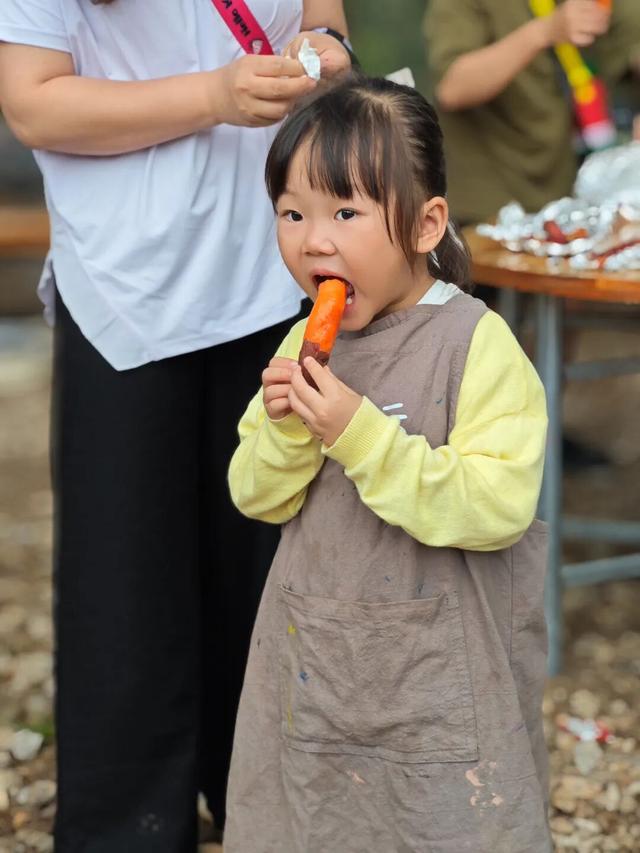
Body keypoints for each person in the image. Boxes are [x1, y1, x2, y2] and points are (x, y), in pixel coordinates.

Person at [0, 1, 352, 849]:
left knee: (270, 567)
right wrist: (213, 96)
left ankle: (270, 806)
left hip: (274, 262)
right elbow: (33, 102)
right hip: (129, 278)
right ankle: (131, 824)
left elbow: (326, 18)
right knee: (129, 577)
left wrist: (324, 52)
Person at [224, 74, 551, 852]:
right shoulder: (295, 345)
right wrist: (290, 430)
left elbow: (497, 504)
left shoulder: (475, 344)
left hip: (443, 681)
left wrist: (358, 432)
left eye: (346, 212)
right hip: (318, 674)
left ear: (426, 223)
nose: (315, 240)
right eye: (292, 214)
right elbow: (254, 496)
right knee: (315, 819)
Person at [424, 0, 640, 225]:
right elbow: (452, 87)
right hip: (486, 203)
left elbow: (631, 34)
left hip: (563, 193)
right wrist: (545, 31)